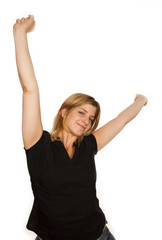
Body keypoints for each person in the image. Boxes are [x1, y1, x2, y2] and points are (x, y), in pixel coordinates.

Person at [13, 15, 148, 240]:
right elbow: (29, 89)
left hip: (98, 235)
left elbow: (122, 119)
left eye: (92, 118)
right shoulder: (38, 143)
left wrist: (140, 101)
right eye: (81, 112)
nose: (87, 120)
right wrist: (20, 32)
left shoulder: (89, 145)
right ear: (64, 111)